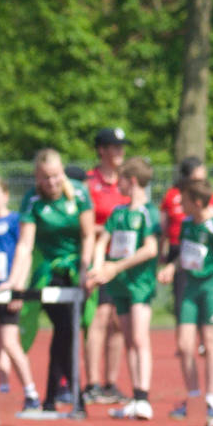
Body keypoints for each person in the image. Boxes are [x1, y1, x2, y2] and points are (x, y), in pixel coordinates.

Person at [6, 148, 95, 408]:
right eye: (45, 177)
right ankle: (73, 394)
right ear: (37, 177)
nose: (52, 183)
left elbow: (88, 234)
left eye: (56, 176)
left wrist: (86, 269)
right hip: (47, 271)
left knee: (66, 332)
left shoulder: (79, 193)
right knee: (65, 327)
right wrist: (15, 282)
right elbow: (24, 245)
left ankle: (52, 397)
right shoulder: (32, 200)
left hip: (76, 268)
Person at [158, 178, 213, 426]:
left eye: (183, 200)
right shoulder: (186, 225)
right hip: (190, 288)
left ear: (196, 202)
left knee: (210, 343)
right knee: (185, 345)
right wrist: (172, 268)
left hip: (212, 287)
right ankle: (193, 398)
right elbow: (186, 255)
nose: (179, 205)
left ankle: (212, 401)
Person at [83, 156, 160, 419]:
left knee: (139, 338)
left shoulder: (147, 212)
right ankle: (136, 397)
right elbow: (101, 240)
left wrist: (117, 267)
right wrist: (97, 267)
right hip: (119, 285)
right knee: (128, 339)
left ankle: (144, 395)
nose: (119, 186)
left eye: (122, 181)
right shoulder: (118, 213)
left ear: (133, 181)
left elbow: (150, 249)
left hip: (139, 284)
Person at [0, 174, 38, 409]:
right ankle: (3, 392)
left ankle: (31, 393)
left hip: (9, 291)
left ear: (5, 196)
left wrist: (18, 288)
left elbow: (25, 253)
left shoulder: (16, 221)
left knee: (11, 343)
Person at [83, 126, 130, 403]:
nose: (119, 152)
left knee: (118, 322)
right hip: (99, 259)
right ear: (101, 150)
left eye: (122, 146)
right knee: (98, 319)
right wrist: (106, 231)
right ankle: (92, 383)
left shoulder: (126, 182)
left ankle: (111, 382)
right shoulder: (90, 182)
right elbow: (85, 223)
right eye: (114, 146)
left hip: (122, 262)